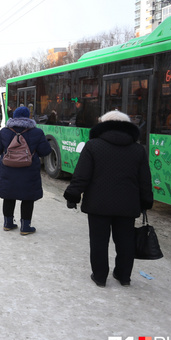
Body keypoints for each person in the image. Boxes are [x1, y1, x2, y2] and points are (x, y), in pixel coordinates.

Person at [63, 110, 153, 287]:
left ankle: (100, 276)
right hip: (127, 205)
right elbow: (144, 179)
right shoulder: (137, 150)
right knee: (125, 241)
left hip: (98, 204)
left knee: (99, 242)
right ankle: (123, 276)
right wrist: (145, 201)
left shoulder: (93, 146)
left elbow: (81, 176)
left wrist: (73, 195)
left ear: (103, 124)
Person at [0, 105, 51, 235]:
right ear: (28, 116)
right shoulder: (37, 132)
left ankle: (8, 223)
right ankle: (25, 227)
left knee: (8, 196)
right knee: (28, 198)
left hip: (8, 171)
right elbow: (45, 151)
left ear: (14, 116)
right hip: (29, 172)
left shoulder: (5, 131)